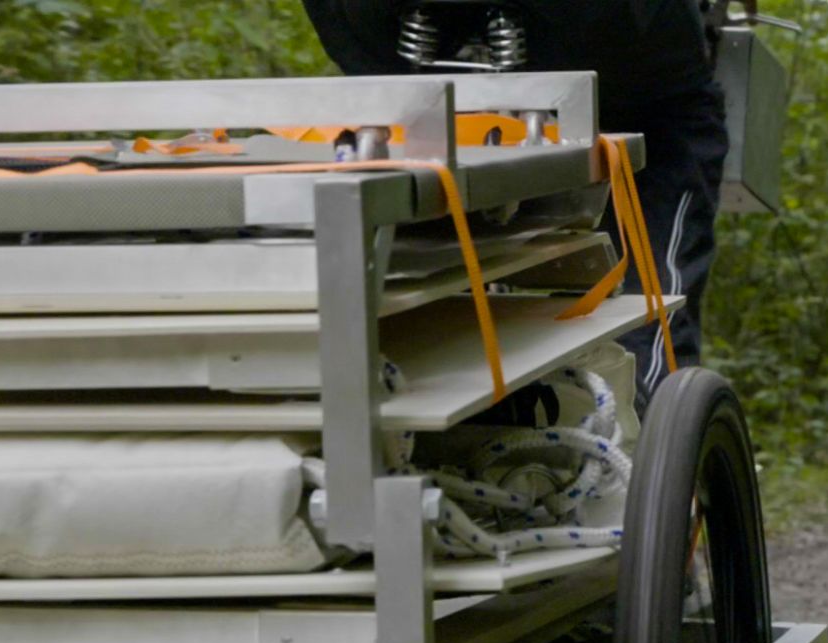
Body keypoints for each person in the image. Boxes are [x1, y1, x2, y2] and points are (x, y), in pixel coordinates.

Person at [300, 0, 729, 410]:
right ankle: (646, 436)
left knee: (421, 238)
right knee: (672, 124)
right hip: (620, 54)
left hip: (385, 34)